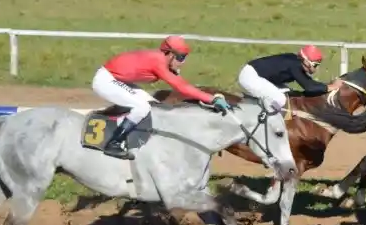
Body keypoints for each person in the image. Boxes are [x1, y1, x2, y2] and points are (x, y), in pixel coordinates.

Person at [91, 35, 229, 158]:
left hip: (117, 79)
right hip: (106, 80)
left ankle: (135, 136)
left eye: (185, 57)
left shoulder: (162, 59)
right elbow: (181, 87)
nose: (183, 62)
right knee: (142, 107)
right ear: (169, 54)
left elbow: (182, 84)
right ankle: (113, 143)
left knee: (153, 105)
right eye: (181, 57)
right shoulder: (158, 61)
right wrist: (212, 99)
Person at [237, 45, 343, 113]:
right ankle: (266, 123)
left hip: (258, 74)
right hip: (250, 77)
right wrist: (332, 86)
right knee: (280, 99)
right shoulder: (295, 66)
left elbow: (309, 83)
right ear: (306, 62)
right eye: (315, 65)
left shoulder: (296, 62)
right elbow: (310, 87)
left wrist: (328, 86)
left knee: (289, 94)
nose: (316, 68)